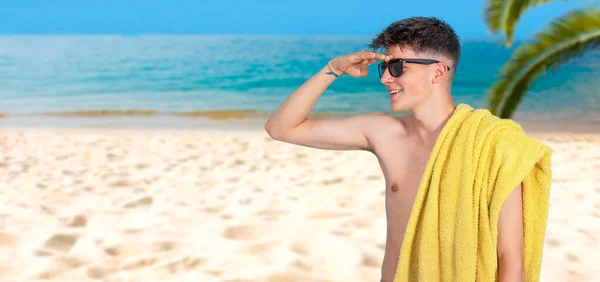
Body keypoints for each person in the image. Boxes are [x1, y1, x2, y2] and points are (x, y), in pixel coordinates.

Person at [265, 17, 527, 282]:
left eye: (398, 67)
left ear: (438, 72)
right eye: (385, 68)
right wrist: (332, 69)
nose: (386, 79)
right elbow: (282, 128)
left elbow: (511, 258)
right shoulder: (384, 132)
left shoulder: (490, 142)